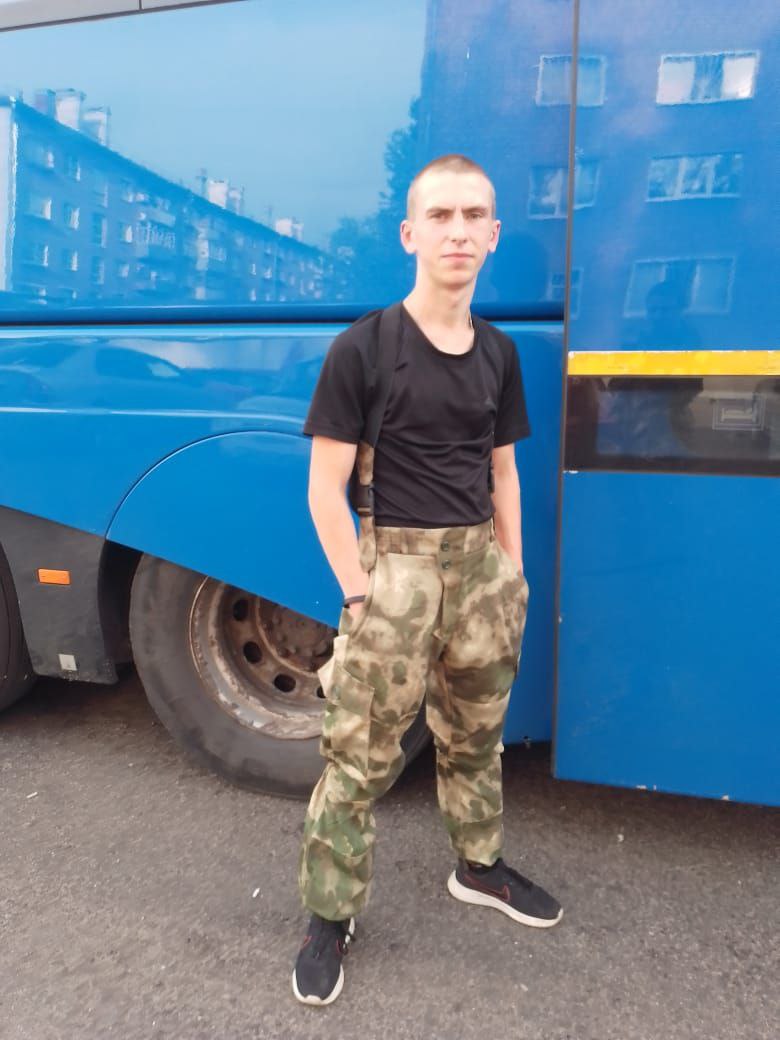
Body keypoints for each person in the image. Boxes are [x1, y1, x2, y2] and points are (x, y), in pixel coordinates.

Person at [293, 154, 562, 1007]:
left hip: (480, 572)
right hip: (395, 572)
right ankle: (329, 915)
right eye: (440, 216)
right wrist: (360, 593)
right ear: (410, 234)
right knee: (357, 755)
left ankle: (478, 868)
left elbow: (503, 473)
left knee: (476, 736)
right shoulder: (365, 348)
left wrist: (512, 576)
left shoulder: (499, 353)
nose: (457, 231)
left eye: (473, 216)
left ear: (493, 235)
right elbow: (324, 491)